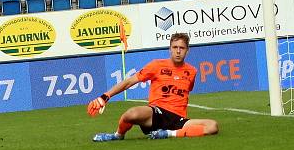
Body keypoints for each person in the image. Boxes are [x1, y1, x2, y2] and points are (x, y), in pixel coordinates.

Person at [88, 33, 219, 141]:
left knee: (212, 126)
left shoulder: (192, 71)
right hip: (156, 114)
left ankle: (167, 134)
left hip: (179, 120)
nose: (178, 51)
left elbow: (187, 90)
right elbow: (129, 81)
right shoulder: (156, 65)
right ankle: (118, 135)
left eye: (182, 48)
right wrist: (105, 96)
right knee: (131, 114)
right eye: (175, 47)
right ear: (170, 49)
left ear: (187, 50)